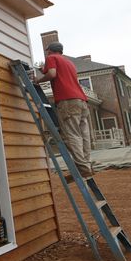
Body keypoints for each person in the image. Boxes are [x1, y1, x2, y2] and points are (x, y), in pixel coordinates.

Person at [33, 42, 93, 179]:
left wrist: (39, 80)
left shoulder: (51, 58)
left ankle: (83, 169)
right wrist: (44, 70)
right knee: (84, 135)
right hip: (81, 101)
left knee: (72, 135)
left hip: (67, 101)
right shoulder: (69, 63)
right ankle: (87, 165)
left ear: (48, 50)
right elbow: (57, 72)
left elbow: (53, 74)